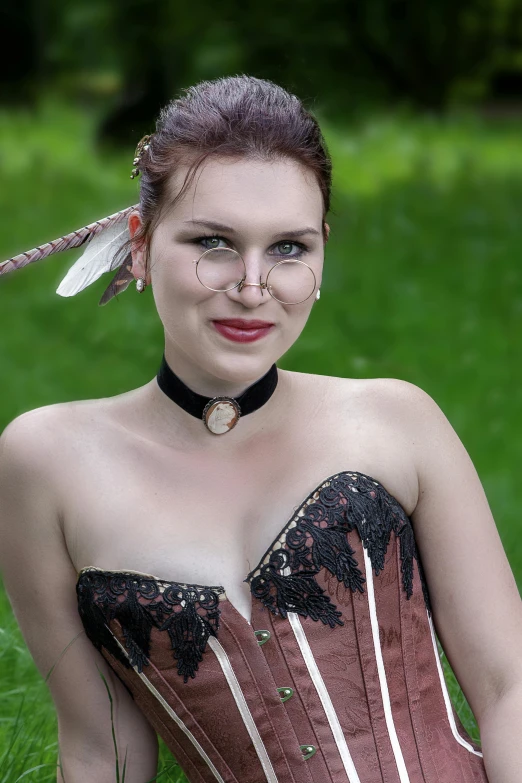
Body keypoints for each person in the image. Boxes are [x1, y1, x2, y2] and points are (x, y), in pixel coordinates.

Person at [0, 75, 520, 783]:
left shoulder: (395, 421)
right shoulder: (47, 463)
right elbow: (101, 752)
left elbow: (508, 685)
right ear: (142, 244)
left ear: (322, 254)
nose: (252, 286)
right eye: (213, 241)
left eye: (288, 248)